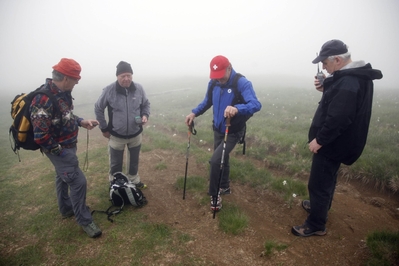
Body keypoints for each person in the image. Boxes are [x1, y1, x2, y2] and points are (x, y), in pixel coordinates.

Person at [292, 40, 383, 237]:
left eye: (325, 63)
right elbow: (345, 103)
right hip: (341, 141)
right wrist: (327, 88)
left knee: (318, 183)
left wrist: (320, 140)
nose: (324, 67)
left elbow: (339, 117)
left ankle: (316, 224)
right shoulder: (352, 77)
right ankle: (320, 208)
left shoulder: (349, 81)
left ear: (338, 60)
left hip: (333, 142)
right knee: (328, 178)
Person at [30, 58, 102, 238]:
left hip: (67, 145)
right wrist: (62, 153)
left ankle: (66, 209)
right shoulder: (43, 99)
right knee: (78, 182)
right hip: (60, 150)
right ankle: (85, 221)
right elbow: (41, 136)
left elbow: (65, 115)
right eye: (75, 79)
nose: (77, 82)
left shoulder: (61, 93)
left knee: (62, 177)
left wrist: (81, 122)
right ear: (66, 78)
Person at [185, 55, 262, 211]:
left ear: (229, 68)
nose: (218, 79)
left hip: (233, 130)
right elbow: (207, 101)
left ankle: (214, 195)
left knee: (215, 161)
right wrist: (194, 113)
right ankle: (225, 186)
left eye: (220, 76)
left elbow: (256, 104)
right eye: (215, 76)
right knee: (222, 158)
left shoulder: (241, 83)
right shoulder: (213, 83)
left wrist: (237, 108)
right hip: (218, 128)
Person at [94, 61, 150, 189]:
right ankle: (115, 184)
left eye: (129, 75)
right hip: (116, 134)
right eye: (123, 76)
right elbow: (98, 108)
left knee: (134, 160)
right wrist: (103, 128)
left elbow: (146, 104)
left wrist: (145, 115)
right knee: (115, 163)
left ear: (132, 76)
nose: (126, 79)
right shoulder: (109, 90)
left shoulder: (139, 88)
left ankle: (134, 181)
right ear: (117, 76)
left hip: (136, 133)